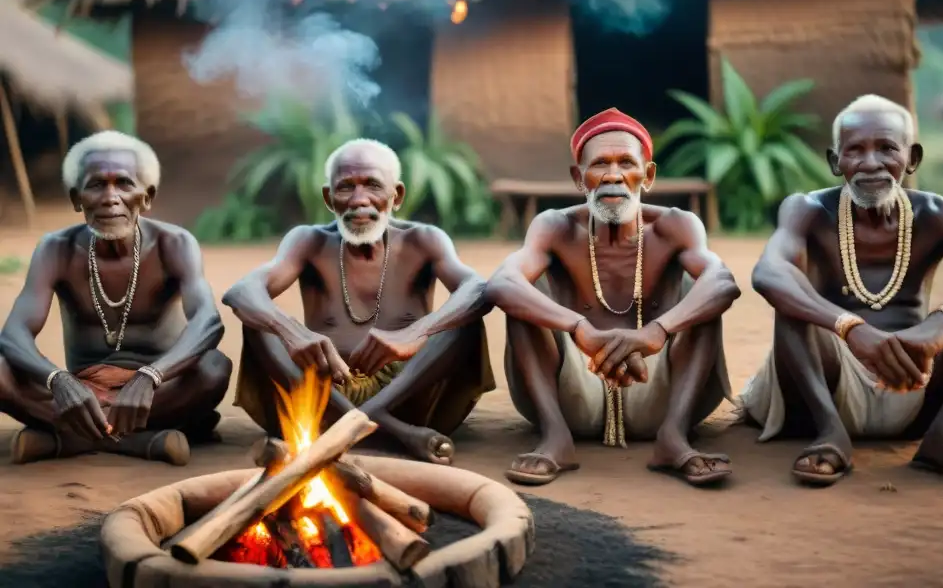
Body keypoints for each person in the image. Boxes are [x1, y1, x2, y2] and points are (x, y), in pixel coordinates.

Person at [741, 94, 943, 489]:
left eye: (887, 148)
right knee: (792, 301)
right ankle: (830, 435)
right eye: (855, 150)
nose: (871, 163)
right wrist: (852, 329)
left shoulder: (940, 215)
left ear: (912, 158)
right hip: (823, 386)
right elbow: (768, 273)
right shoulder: (808, 209)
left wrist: (942, 321)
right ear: (834, 161)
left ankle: (942, 436)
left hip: (914, 377)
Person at [487, 108, 740, 487]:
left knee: (701, 289)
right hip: (574, 394)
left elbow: (723, 282)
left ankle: (673, 436)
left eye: (626, 162)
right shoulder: (554, 226)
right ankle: (556, 437)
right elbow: (500, 283)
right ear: (579, 178)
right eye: (599, 164)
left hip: (661, 390)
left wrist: (655, 332)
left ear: (648, 175)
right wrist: (579, 327)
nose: (612, 175)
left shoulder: (675, 225)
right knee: (525, 292)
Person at [223, 138, 494, 465]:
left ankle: (357, 424)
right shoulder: (309, 241)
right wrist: (292, 331)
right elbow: (241, 292)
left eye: (373, 186)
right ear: (328, 198)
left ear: (397, 196)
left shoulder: (423, 240)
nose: (359, 200)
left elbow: (478, 289)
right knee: (260, 322)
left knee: (462, 320)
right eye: (345, 188)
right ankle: (388, 431)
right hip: (324, 396)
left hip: (407, 396)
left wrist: (416, 333)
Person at [0, 131, 231, 465]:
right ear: (77, 198)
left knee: (213, 368)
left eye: (124, 183)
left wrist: (151, 376)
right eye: (96, 185)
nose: (111, 197)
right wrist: (59, 380)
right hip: (82, 393)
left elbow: (208, 322)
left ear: (147, 197)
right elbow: (14, 333)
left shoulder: (175, 244)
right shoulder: (56, 249)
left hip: (156, 390)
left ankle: (68, 439)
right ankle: (140, 441)